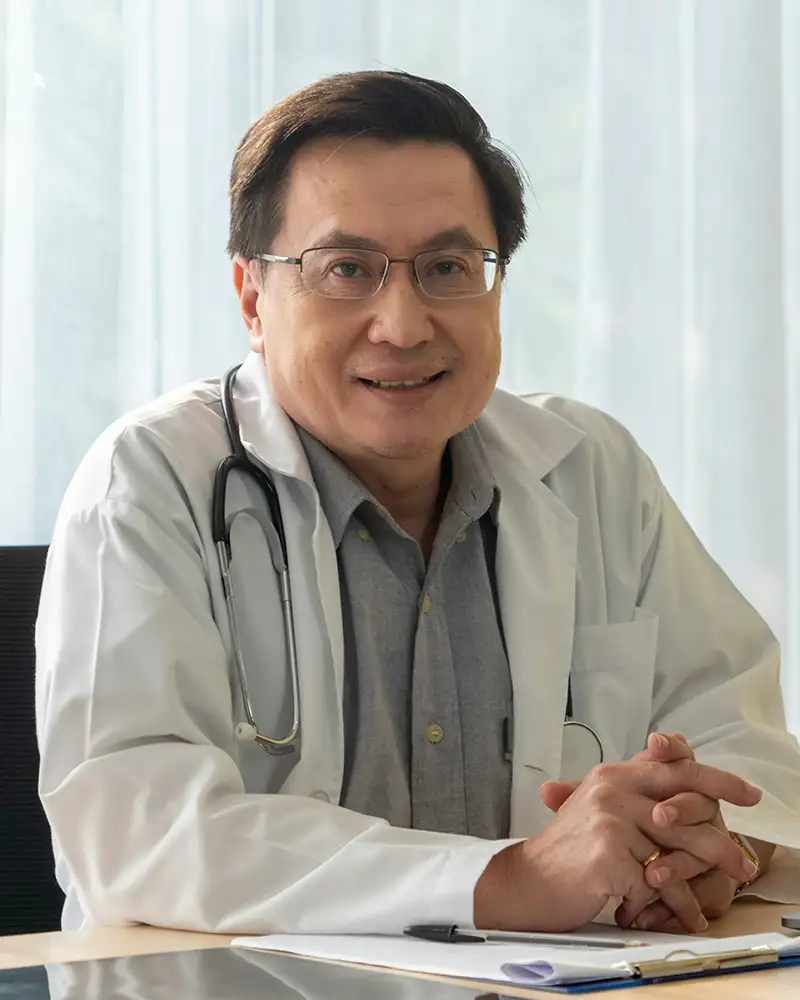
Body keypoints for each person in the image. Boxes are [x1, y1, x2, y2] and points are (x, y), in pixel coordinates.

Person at [36, 70, 800, 938]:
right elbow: (137, 831)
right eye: (346, 269)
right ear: (253, 298)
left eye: (446, 268)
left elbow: (746, 745)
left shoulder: (592, 472)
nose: (402, 324)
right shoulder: (150, 481)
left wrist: (700, 844)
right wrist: (507, 880)